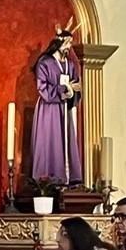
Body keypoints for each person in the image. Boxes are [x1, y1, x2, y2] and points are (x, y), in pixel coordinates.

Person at [29, 25, 83, 184]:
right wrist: (64, 88)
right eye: (67, 43)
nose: (69, 47)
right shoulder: (44, 63)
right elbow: (43, 88)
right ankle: (48, 177)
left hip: (64, 108)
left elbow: (75, 85)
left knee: (65, 140)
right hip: (49, 109)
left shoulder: (69, 65)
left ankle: (68, 177)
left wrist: (74, 91)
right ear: (58, 43)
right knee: (50, 141)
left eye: (70, 44)